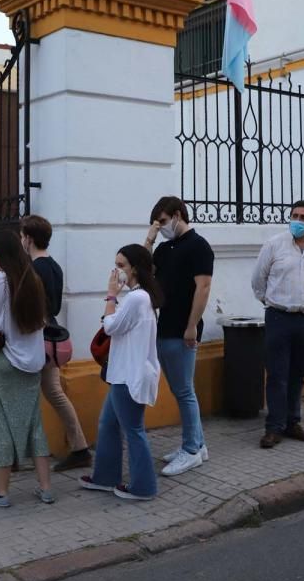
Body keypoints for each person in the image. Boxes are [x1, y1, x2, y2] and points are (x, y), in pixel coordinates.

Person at [0, 230, 53, 508]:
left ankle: (1, 493)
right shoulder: (33, 280)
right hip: (31, 363)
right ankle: (46, 487)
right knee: (34, 423)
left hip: (0, 360)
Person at [80, 245, 162, 501]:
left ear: (135, 269)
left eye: (121, 265)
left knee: (133, 430)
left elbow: (110, 325)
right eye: (115, 264)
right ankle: (105, 477)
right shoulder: (140, 296)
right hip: (122, 374)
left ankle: (144, 487)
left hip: (129, 376)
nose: (116, 271)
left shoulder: (137, 298)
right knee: (108, 423)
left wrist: (111, 296)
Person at [145, 196, 211, 475]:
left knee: (184, 391)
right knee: (181, 389)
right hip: (165, 326)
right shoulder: (164, 248)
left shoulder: (198, 246)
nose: (160, 227)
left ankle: (191, 450)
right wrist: (148, 241)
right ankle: (198, 443)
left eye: (162, 221)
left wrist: (191, 325)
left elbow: (203, 288)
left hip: (183, 328)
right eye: (156, 224)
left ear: (177, 214)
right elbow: (144, 273)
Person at [250, 201, 304, 448]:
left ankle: (293, 422)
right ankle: (274, 427)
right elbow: (258, 280)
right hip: (279, 317)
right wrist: (272, 302)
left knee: (299, 373)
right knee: (277, 374)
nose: (298, 220)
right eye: (294, 215)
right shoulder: (274, 245)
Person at [21, 214, 90, 470]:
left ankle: (19, 452)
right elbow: (55, 306)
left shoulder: (33, 269)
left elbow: (32, 307)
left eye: (21, 236)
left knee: (28, 394)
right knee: (54, 393)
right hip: (49, 336)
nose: (20, 240)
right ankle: (79, 446)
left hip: (34, 338)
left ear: (28, 238)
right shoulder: (55, 266)